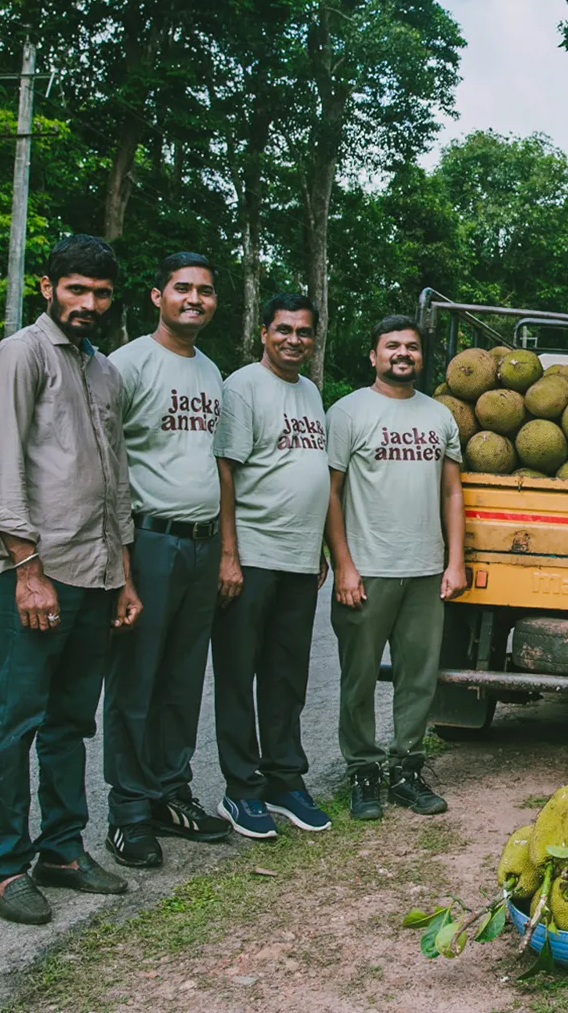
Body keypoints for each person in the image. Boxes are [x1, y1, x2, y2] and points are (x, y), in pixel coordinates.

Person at [0, 235, 142, 925]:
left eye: (100, 293)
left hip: (99, 574)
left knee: (72, 721)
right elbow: (4, 466)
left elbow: (116, 479)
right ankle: (5, 866)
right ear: (48, 288)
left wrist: (126, 578)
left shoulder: (105, 372)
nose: (88, 303)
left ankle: (63, 849)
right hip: (41, 575)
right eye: (76, 289)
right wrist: (26, 573)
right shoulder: (21, 354)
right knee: (13, 724)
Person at [103, 252, 230, 867]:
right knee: (136, 679)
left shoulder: (212, 373)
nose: (194, 299)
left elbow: (218, 468)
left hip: (203, 543)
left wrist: (227, 550)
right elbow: (106, 469)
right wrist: (121, 565)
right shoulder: (125, 365)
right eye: (183, 289)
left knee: (182, 679)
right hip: (148, 539)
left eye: (205, 291)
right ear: (158, 295)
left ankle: (168, 791)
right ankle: (127, 811)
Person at [326, 316, 468, 821]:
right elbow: (331, 493)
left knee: (418, 678)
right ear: (373, 355)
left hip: (426, 569)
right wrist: (342, 565)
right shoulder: (347, 413)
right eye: (392, 346)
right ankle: (363, 771)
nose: (402, 353)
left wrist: (456, 561)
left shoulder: (439, 417)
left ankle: (407, 769)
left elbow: (452, 492)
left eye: (411, 346)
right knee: (358, 678)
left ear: (421, 357)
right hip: (367, 570)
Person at [211, 293, 332, 838]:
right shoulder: (241, 387)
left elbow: (309, 475)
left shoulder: (309, 392)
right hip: (252, 557)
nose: (294, 340)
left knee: (286, 677)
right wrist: (228, 554)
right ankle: (243, 789)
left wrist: (321, 548)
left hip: (299, 560)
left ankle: (285, 780)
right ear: (264, 332)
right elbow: (225, 474)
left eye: (304, 332)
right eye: (284, 330)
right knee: (240, 675)